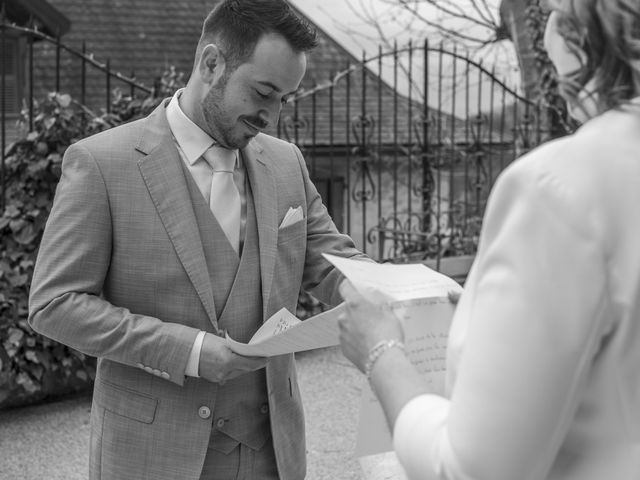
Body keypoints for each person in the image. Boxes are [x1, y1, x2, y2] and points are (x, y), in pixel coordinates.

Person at [28, 1, 366, 479]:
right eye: (263, 92)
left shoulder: (286, 162)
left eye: (284, 100)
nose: (271, 115)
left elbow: (333, 259)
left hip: (273, 454)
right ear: (212, 64)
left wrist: (382, 290)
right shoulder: (101, 164)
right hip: (151, 453)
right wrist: (187, 351)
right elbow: (54, 303)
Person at [338, 0, 640, 479]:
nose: (543, 33)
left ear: (588, 29)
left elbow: (473, 471)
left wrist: (380, 352)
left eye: (553, 11)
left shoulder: (561, 188)